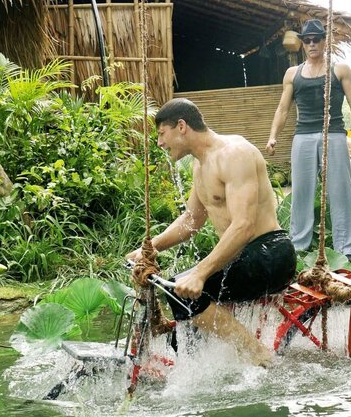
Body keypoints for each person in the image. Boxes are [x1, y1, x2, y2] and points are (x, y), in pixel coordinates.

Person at [126, 98, 296, 367]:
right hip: (240, 256)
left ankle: (259, 355)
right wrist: (151, 247)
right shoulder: (200, 164)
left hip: (270, 253)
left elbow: (244, 225)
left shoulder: (234, 153)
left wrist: (200, 273)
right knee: (180, 314)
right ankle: (199, 374)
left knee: (180, 292)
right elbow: (192, 220)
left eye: (161, 133)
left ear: (181, 126)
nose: (159, 142)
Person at [266, 19, 351, 262]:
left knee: (340, 190)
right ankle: (299, 249)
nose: (311, 44)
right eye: (307, 40)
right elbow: (282, 108)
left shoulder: (340, 70)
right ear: (302, 44)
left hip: (332, 133)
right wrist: (272, 137)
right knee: (301, 191)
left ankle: (347, 251)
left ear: (324, 41)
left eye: (316, 39)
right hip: (303, 136)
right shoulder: (293, 74)